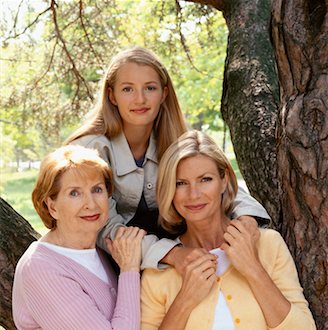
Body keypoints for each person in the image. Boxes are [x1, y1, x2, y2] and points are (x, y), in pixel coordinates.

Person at [130, 130, 316, 330]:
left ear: (224, 181)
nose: (193, 194)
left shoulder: (266, 246)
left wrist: (252, 268)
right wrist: (185, 299)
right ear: (169, 191)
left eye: (204, 179)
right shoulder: (160, 267)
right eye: (180, 183)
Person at [65, 46, 270, 270]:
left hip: (179, 252)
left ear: (163, 93)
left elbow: (221, 181)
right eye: (127, 89)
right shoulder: (88, 151)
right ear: (112, 95)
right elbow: (103, 227)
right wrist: (172, 254)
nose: (140, 99)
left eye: (150, 88)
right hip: (116, 260)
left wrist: (247, 217)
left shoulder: (177, 140)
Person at [12, 145, 146, 330]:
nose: (90, 203)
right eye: (74, 193)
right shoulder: (42, 269)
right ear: (51, 205)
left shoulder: (97, 253)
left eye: (97, 189)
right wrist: (129, 270)